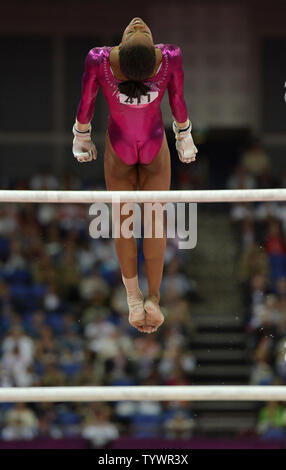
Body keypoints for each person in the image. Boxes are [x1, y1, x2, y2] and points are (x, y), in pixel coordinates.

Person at [72, 17, 197, 334]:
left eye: (136, 31)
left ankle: (142, 298)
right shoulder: (168, 56)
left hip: (120, 150)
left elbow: (87, 101)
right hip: (154, 147)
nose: (138, 24)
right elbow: (177, 100)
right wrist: (183, 136)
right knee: (144, 221)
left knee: (132, 223)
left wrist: (81, 136)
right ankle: (144, 296)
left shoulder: (100, 59)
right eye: (136, 31)